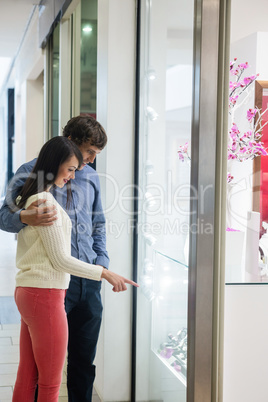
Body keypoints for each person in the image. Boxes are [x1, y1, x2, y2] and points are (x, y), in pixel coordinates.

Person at [0, 116, 127, 402]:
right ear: (69, 141)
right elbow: (2, 217)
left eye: (96, 155)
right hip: (51, 283)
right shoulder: (29, 173)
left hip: (88, 280)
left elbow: (98, 224)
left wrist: (102, 263)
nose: (90, 161)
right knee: (40, 371)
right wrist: (24, 216)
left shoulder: (91, 177)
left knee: (83, 362)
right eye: (89, 152)